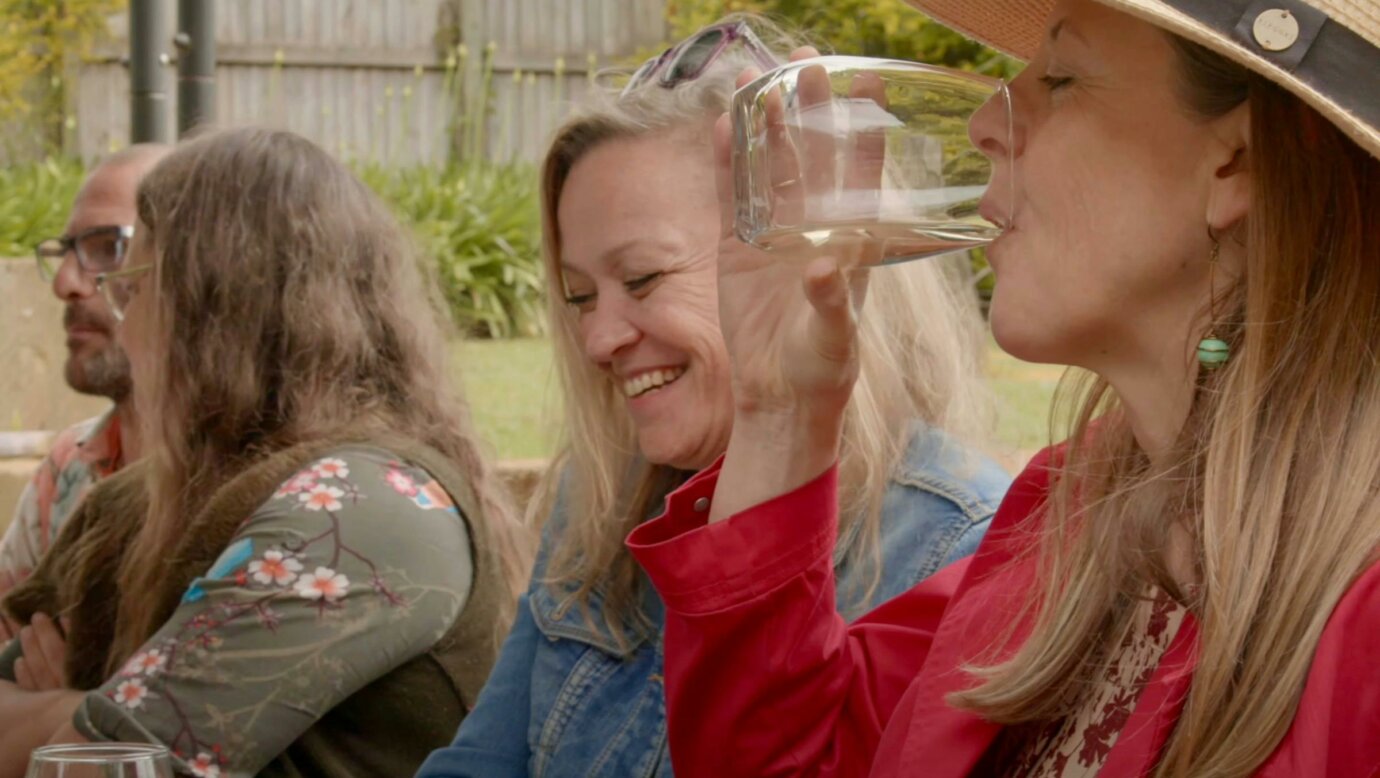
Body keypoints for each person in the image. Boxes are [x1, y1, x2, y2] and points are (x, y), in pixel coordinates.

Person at [626, 0, 1380, 775]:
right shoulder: (1067, 516)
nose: (989, 118)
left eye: (1060, 76)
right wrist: (779, 412)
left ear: (1236, 165)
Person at [418, 16, 1011, 777]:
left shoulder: (951, 548)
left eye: (641, 279)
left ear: (808, 260)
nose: (599, 339)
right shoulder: (602, 497)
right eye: (577, 296)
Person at [0, 127, 534, 778]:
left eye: (135, 289)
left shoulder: (369, 507)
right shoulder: (133, 503)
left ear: (208, 316)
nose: (125, 323)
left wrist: (77, 711)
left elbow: (104, 763)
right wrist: (92, 713)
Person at [0, 145, 169, 607]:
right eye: (67, 251)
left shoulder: (257, 483)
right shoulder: (69, 466)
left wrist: (70, 680)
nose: (64, 284)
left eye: (110, 248)